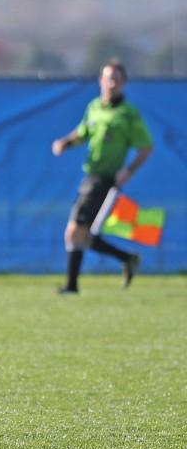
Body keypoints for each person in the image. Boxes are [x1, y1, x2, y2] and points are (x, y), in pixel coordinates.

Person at [51, 59, 153, 294]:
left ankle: (72, 286)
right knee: (83, 234)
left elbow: (146, 147)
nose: (112, 82)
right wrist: (65, 143)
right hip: (91, 175)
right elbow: (84, 132)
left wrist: (129, 170)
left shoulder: (128, 114)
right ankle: (126, 259)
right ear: (100, 81)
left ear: (124, 83)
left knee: (76, 231)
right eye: (108, 77)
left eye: (117, 78)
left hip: (105, 179)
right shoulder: (94, 107)